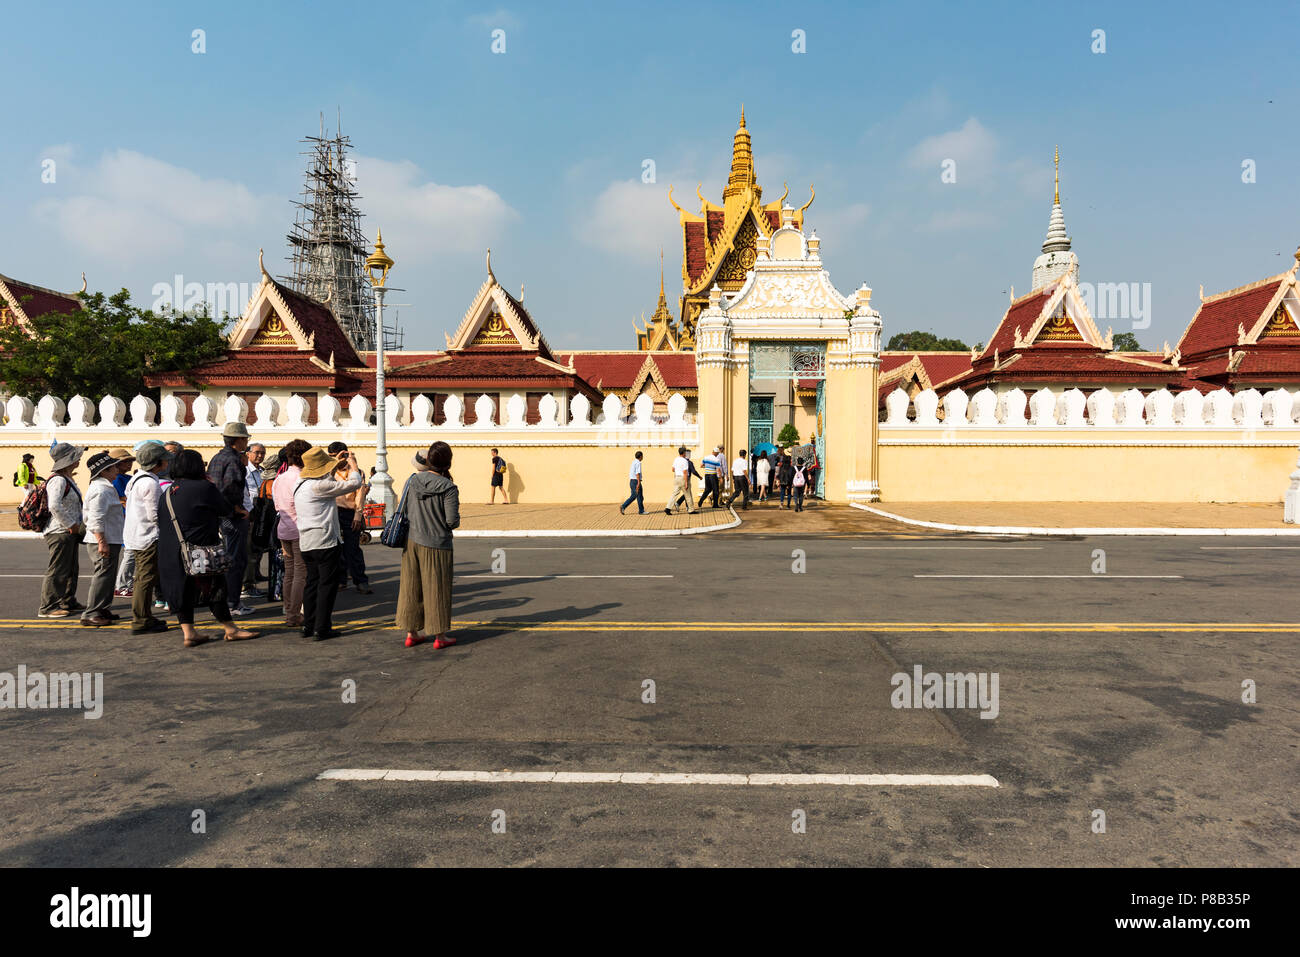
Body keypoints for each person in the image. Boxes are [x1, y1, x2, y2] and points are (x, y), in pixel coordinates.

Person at [158, 450, 259, 647]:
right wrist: (239, 512)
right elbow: (225, 509)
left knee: (183, 590)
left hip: (171, 551)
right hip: (199, 549)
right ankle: (230, 629)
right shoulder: (204, 487)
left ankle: (189, 632)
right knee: (214, 588)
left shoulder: (168, 492)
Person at [293, 447, 364, 641]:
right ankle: (322, 627)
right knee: (327, 585)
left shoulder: (300, 483)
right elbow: (354, 483)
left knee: (312, 584)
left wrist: (333, 467)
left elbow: (325, 481)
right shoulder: (319, 486)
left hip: (306, 541)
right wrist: (353, 465)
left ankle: (309, 625)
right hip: (324, 540)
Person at [397, 440, 461, 649]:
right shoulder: (448, 487)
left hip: (412, 540)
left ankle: (411, 632)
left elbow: (404, 509)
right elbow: (452, 521)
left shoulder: (413, 480)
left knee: (411, 585)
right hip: (437, 543)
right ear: (447, 462)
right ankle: (439, 636)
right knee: (436, 588)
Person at [207, 423, 255, 617]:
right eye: (245, 438)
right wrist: (238, 508)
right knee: (236, 560)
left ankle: (225, 600)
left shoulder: (217, 457)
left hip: (218, 514)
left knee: (226, 559)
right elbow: (230, 487)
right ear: (239, 440)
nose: (246, 441)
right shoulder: (234, 460)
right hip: (232, 516)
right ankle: (231, 602)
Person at [123, 441, 171, 634]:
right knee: (145, 578)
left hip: (137, 534)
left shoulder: (136, 479)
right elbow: (154, 515)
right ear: (157, 463)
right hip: (148, 537)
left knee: (142, 577)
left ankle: (144, 615)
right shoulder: (151, 483)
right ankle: (141, 619)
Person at [80, 450, 130, 627]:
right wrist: (102, 541)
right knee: (102, 576)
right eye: (113, 467)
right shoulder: (101, 490)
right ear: (103, 471)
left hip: (111, 538)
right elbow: (95, 518)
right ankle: (91, 613)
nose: (117, 469)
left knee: (108, 576)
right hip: (104, 539)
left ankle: (102, 608)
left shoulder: (106, 486)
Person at [37, 443, 86, 619]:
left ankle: (67, 600)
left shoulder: (67, 478)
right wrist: (71, 524)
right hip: (60, 531)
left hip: (68, 531)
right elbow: (54, 506)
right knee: (58, 569)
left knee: (71, 568)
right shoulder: (58, 480)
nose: (79, 459)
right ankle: (48, 606)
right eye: (76, 456)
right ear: (69, 460)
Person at [273, 439, 311, 628]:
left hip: (284, 529)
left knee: (289, 573)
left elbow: (277, 506)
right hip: (299, 528)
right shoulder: (301, 478)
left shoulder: (279, 478)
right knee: (300, 573)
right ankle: (294, 614)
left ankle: (289, 611)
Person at [327, 441, 373, 595]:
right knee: (335, 549)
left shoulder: (356, 472)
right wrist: (333, 463)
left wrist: (358, 515)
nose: (337, 459)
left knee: (352, 549)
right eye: (332, 457)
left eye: (339, 456)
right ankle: (340, 580)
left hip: (350, 513)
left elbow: (360, 493)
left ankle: (361, 581)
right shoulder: (329, 471)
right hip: (333, 512)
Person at [109, 448, 137, 598]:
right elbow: (121, 499)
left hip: (130, 519)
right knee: (130, 553)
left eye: (130, 461)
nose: (130, 464)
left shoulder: (127, 478)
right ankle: (122, 585)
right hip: (126, 520)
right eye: (126, 461)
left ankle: (126, 583)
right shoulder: (117, 479)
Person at [242, 442, 268, 597]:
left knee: (257, 547)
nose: (260, 456)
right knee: (249, 549)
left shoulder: (261, 471)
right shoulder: (245, 471)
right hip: (249, 512)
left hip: (259, 512)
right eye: (257, 452)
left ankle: (255, 575)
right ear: (248, 453)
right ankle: (247, 584)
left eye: (262, 453)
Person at [664, 446, 696, 515]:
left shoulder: (676, 459)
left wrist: (678, 470)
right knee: (688, 494)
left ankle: (668, 508)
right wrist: (686, 483)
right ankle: (691, 510)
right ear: (684, 453)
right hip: (683, 478)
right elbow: (685, 472)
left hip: (676, 478)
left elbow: (673, 469)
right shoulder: (685, 461)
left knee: (674, 494)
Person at [620, 451, 645, 515]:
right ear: (640, 456)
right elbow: (637, 473)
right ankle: (624, 506)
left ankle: (641, 510)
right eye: (642, 456)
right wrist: (638, 483)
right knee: (636, 496)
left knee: (639, 496)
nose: (643, 457)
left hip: (632, 481)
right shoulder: (638, 463)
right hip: (636, 481)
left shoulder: (633, 462)